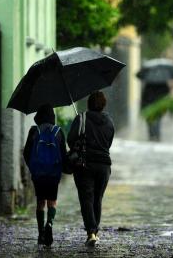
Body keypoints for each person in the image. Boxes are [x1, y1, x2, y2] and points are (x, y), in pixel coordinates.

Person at [67, 91, 114, 247]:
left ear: (89, 104)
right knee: (97, 198)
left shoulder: (82, 118)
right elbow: (108, 142)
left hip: (84, 164)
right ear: (103, 104)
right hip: (104, 166)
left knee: (86, 198)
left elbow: (71, 140)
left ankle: (91, 232)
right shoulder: (109, 121)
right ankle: (95, 231)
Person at [23, 104, 67, 247]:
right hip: (53, 174)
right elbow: (64, 155)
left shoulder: (34, 131)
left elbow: (26, 153)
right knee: (52, 202)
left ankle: (41, 232)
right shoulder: (58, 132)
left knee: (40, 202)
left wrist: (34, 168)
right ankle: (50, 223)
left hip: (39, 174)